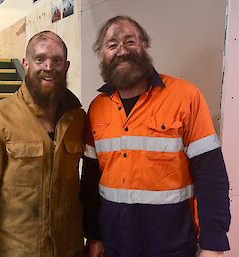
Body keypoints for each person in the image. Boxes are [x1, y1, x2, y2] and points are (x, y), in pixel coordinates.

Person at [81, 16, 230, 257]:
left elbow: (210, 174)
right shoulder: (96, 108)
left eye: (130, 41)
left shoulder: (186, 96)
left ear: (144, 45)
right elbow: (90, 180)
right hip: (115, 244)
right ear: (102, 54)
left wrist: (213, 243)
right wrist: (94, 235)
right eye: (112, 45)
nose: (121, 51)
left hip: (173, 246)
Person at [0, 31, 86, 257]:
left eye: (56, 60)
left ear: (66, 67)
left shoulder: (77, 118)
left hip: (71, 250)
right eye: (40, 59)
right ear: (26, 64)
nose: (48, 66)